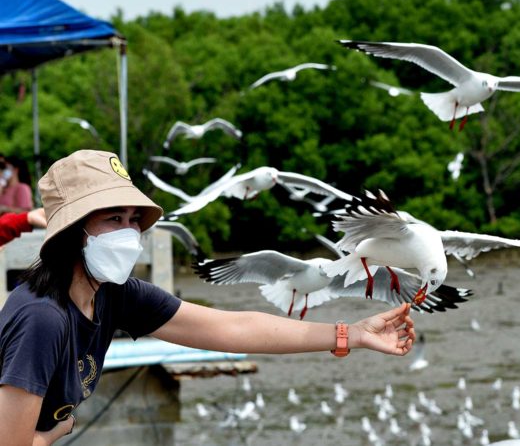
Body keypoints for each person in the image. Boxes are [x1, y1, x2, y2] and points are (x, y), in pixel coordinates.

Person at [0, 150, 416, 444]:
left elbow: (234, 327)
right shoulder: (43, 318)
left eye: (133, 220)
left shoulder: (113, 295)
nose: (130, 233)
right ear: (74, 232)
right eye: (113, 218)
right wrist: (55, 433)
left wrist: (351, 334)